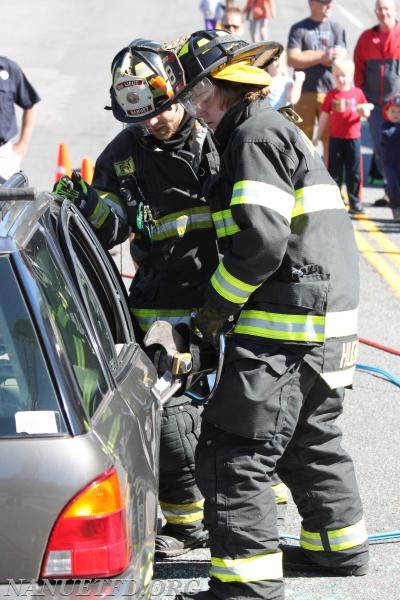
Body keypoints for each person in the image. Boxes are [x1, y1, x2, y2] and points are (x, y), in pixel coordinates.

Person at [165, 29, 369, 600]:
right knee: (309, 436)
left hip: (288, 325)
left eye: (194, 97)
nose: (191, 111)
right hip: (324, 320)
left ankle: (244, 586)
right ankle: (338, 547)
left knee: (236, 449)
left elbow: (260, 245)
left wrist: (211, 314)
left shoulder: (252, 137)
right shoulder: (274, 128)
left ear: (217, 89)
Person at [53, 39, 220, 559]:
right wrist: (84, 203)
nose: (152, 124)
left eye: (161, 112)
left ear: (182, 97)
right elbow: (110, 227)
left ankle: (246, 497)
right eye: (140, 117)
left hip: (225, 297)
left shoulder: (220, 139)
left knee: (235, 409)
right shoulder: (124, 156)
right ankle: (187, 517)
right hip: (158, 305)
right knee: (164, 414)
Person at [287, 0, 347, 164]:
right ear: (312, 3)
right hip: (304, 91)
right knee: (301, 138)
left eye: (331, 2)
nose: (330, 5)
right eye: (325, 2)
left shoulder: (338, 28)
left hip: (330, 91)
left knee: (331, 140)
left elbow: (341, 61)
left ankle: (330, 180)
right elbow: (292, 59)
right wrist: (323, 56)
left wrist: (307, 56)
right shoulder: (299, 28)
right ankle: (303, 180)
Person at [313, 58, 373, 214]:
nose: (340, 79)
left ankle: (355, 203)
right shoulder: (332, 94)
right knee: (335, 171)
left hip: (353, 138)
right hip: (336, 138)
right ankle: (335, 200)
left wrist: (363, 111)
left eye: (344, 75)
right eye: (337, 75)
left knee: (354, 172)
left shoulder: (357, 93)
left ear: (351, 76)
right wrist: (317, 136)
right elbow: (324, 116)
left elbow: (366, 112)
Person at [354, 0, 400, 195]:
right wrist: (361, 99)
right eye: (379, 9)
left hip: (397, 106)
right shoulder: (366, 39)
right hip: (375, 106)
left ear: (394, 10)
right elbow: (358, 71)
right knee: (382, 151)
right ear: (375, 11)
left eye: (387, 8)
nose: (383, 13)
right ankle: (392, 191)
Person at [0, 55, 40, 181]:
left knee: (11, 198)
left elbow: (30, 104)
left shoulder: (8, 68)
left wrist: (23, 144)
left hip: (3, 155)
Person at [380, 92, 400, 221]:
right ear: (386, 112)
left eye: (398, 112)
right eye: (392, 111)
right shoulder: (385, 127)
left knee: (396, 188)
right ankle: (396, 209)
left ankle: (388, 192)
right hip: (390, 165)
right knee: (394, 187)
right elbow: (387, 135)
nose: (395, 114)